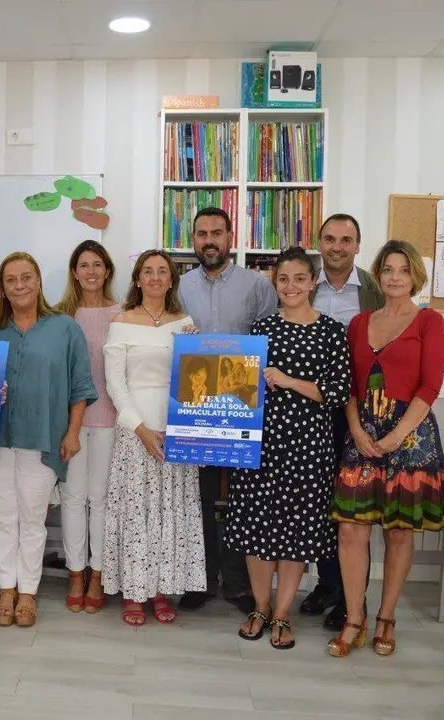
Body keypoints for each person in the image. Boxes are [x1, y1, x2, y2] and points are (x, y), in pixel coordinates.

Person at [327, 240, 444, 659]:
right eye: (387, 269)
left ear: (416, 275)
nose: (395, 277)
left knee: (398, 531)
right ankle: (354, 619)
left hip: (410, 437)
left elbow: (430, 386)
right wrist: (355, 429)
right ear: (377, 275)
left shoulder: (430, 321)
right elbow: (348, 385)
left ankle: (386, 617)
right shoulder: (359, 323)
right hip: (362, 433)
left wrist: (396, 435)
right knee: (351, 529)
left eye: (403, 269)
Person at [224, 247, 351, 650]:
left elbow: (338, 392)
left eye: (299, 278)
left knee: (297, 532)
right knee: (257, 529)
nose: (291, 286)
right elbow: (236, 386)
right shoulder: (259, 330)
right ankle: (260, 608)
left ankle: (282, 613)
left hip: (309, 449)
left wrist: (289, 380)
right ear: (274, 283)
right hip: (260, 445)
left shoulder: (331, 331)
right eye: (283, 279)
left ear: (312, 282)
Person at [0, 252, 98, 627]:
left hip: (43, 438)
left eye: (26, 277)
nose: (20, 285)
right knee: (1, 517)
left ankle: (28, 592)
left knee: (33, 519)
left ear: (38, 282)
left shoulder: (64, 328)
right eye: (11, 280)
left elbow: (80, 387)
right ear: (2, 288)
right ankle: (6, 589)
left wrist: (73, 433)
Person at [177, 206, 278, 614]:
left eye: (216, 233)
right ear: (194, 240)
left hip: (242, 408)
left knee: (242, 500)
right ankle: (199, 580)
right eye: (202, 234)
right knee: (196, 498)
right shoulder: (180, 286)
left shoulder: (257, 285)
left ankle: (238, 584)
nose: (209, 241)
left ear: (230, 238)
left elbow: (272, 339)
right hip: (194, 408)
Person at [101, 250, 206, 625]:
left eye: (163, 271)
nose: (156, 277)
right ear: (138, 278)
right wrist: (141, 429)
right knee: (137, 512)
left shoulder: (186, 324)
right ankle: (133, 592)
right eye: (149, 271)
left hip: (177, 431)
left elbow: (195, 380)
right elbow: (115, 385)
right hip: (136, 430)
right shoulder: (121, 322)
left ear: (172, 279)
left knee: (169, 512)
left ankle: (161, 589)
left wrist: (197, 349)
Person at [303, 213, 385, 631]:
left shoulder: (375, 290)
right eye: (330, 239)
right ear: (319, 242)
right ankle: (327, 585)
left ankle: (354, 599)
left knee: (352, 506)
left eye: (346, 240)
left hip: (357, 412)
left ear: (357, 245)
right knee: (319, 500)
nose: (337, 247)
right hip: (306, 408)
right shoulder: (303, 283)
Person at [55, 240, 120, 613]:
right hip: (72, 422)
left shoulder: (124, 313)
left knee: (101, 499)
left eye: (97, 264)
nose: (91, 271)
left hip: (111, 420)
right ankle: (75, 573)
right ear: (74, 272)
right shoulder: (60, 315)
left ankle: (98, 573)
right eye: (84, 265)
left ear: (107, 270)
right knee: (73, 498)